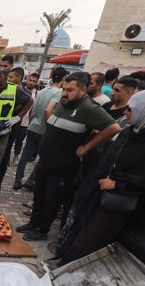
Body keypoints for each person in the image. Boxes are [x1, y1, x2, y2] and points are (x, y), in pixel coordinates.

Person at [57, 90, 145, 265]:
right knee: (79, 228)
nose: (126, 113)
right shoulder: (133, 130)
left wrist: (118, 184)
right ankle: (64, 260)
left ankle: (70, 268)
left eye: (131, 109)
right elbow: (110, 159)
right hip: (97, 190)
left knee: (91, 238)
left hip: (117, 200)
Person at [16, 72, 121, 241]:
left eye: (70, 90)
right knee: (39, 195)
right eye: (64, 89)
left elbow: (114, 128)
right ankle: (33, 222)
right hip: (45, 161)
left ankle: (42, 230)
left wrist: (87, 146)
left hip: (63, 166)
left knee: (52, 200)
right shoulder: (63, 103)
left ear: (83, 90)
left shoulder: (89, 108)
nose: (65, 93)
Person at [13, 67, 68, 190]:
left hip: (33, 127)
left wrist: (32, 121)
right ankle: (31, 180)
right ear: (63, 78)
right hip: (45, 129)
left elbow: (33, 108)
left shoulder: (42, 91)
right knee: (42, 158)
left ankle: (17, 180)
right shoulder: (58, 93)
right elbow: (48, 110)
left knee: (25, 156)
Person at [0, 67, 34, 192]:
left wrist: (18, 116)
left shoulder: (18, 90)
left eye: (11, 77)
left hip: (10, 127)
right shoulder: (6, 88)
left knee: (3, 156)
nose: (8, 79)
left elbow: (30, 101)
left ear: (19, 78)